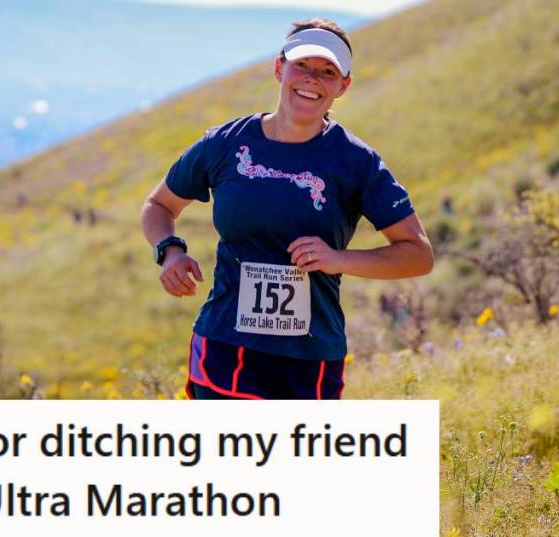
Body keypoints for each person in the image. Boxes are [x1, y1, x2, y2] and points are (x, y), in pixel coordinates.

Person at [139, 18, 434, 400]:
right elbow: (159, 204)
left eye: (327, 72)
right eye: (302, 65)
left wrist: (337, 259)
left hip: (310, 356)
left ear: (344, 86)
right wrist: (170, 251)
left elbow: (418, 255)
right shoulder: (225, 145)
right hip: (226, 345)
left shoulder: (356, 162)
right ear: (279, 68)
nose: (312, 78)